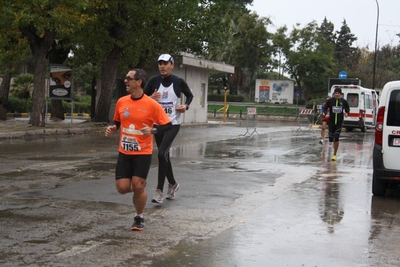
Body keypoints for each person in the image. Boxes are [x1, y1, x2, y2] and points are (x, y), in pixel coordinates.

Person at [105, 69, 172, 231]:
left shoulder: (151, 105)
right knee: (122, 188)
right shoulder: (122, 102)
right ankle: (138, 188)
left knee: (138, 185)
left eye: (129, 78)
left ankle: (139, 217)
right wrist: (113, 128)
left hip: (143, 152)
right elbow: (118, 121)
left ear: (139, 82)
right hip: (125, 152)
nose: (126, 81)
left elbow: (167, 125)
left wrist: (153, 131)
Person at [144, 54, 193, 204]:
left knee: (161, 153)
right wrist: (150, 98)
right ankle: (173, 183)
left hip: (172, 124)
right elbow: (141, 97)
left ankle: (159, 190)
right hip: (158, 125)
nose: (162, 66)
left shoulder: (178, 82)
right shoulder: (154, 81)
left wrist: (185, 106)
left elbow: (189, 96)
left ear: (172, 65)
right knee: (163, 156)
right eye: (160, 64)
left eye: (165, 63)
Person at [325, 88, 350, 161]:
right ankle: (334, 144)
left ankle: (334, 154)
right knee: (331, 138)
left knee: (336, 137)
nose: (337, 94)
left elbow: (348, 109)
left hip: (339, 122)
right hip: (331, 122)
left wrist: (346, 113)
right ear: (334, 94)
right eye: (336, 93)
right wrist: (326, 113)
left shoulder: (343, 102)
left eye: (338, 93)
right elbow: (325, 108)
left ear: (340, 94)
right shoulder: (330, 101)